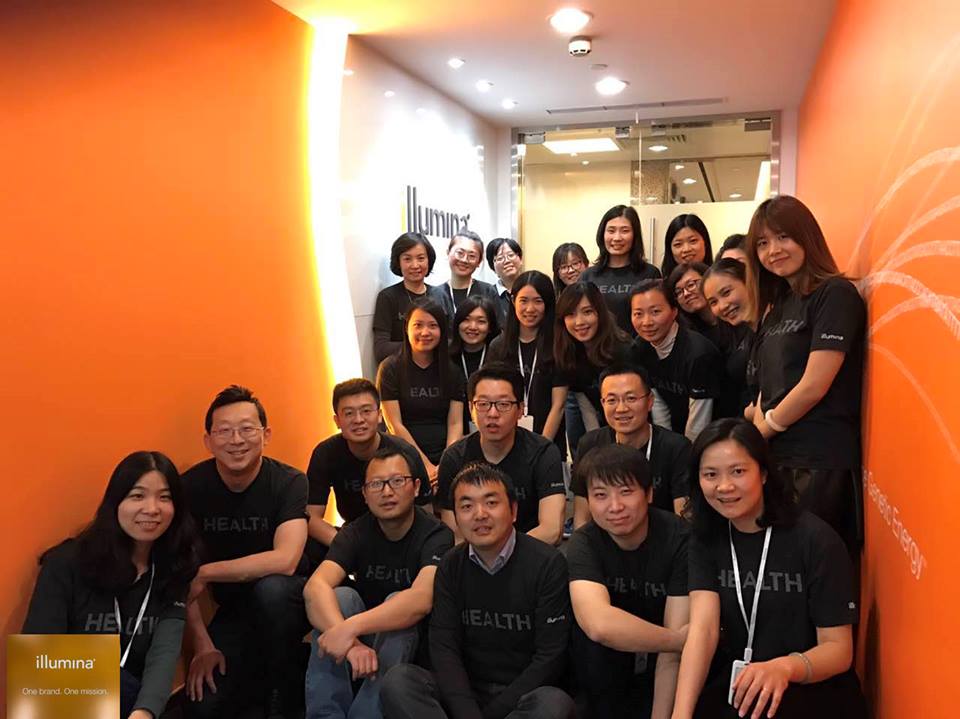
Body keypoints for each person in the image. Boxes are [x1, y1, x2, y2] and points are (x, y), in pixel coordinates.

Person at [672, 418, 866, 719]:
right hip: (742, 688)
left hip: (810, 689)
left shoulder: (816, 540)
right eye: (710, 474)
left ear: (763, 473)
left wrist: (785, 667)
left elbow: (838, 650)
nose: (724, 486)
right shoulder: (706, 538)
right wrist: (680, 715)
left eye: (738, 471)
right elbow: (703, 631)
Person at [379, 463, 575, 719]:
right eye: (467, 506)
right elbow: (444, 646)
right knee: (400, 682)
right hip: (465, 691)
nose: (480, 514)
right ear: (455, 517)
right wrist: (467, 711)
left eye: (491, 503)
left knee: (553, 703)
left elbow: (550, 656)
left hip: (522, 697)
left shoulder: (548, 564)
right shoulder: (450, 564)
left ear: (513, 510)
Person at [23, 451, 199, 719]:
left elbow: (163, 655)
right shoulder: (66, 563)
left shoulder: (174, 567)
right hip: (61, 699)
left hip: (131, 702)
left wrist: (144, 713)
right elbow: (38, 659)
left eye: (164, 497)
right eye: (137, 496)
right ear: (115, 502)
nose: (152, 508)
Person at [182, 385, 311, 719]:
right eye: (224, 431)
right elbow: (181, 575)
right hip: (235, 611)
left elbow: (285, 560)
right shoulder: (191, 487)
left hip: (290, 602)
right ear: (208, 441)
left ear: (265, 435)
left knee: (272, 590)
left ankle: (284, 688)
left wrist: (207, 572)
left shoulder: (289, 481)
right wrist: (202, 645)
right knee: (202, 706)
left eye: (247, 429)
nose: (236, 440)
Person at [746, 195, 866, 553]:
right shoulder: (778, 306)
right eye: (763, 243)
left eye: (783, 237)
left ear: (806, 237)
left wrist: (764, 429)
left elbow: (815, 384)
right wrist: (756, 430)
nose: (773, 251)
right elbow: (768, 382)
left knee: (814, 564)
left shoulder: (835, 294)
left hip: (820, 461)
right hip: (777, 457)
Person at [303, 446, 454, 719]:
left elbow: (420, 600)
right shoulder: (355, 532)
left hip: (412, 645)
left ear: (416, 487)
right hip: (363, 639)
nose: (386, 492)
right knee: (340, 597)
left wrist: (349, 629)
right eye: (376, 484)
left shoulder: (436, 534)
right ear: (364, 494)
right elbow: (315, 587)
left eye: (397, 481)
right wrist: (351, 642)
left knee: (399, 601)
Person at [568, 444, 689, 719]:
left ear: (649, 493)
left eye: (626, 491)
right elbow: (599, 625)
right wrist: (677, 640)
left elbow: (674, 656)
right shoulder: (584, 542)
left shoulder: (680, 539)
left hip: (663, 668)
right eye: (600, 495)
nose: (615, 507)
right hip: (603, 669)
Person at [305, 379, 432, 567]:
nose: (358, 420)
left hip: (399, 535)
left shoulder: (404, 452)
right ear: (337, 421)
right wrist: (347, 546)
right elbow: (311, 517)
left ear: (379, 415)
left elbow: (426, 511)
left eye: (366, 411)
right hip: (354, 534)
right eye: (349, 413)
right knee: (307, 545)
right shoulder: (325, 453)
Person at [437, 363, 566, 546]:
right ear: (471, 408)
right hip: (473, 556)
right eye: (483, 404)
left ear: (520, 409)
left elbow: (552, 530)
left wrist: (503, 554)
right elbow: (455, 533)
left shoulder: (543, 452)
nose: (492, 413)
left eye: (503, 404)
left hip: (530, 553)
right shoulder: (454, 458)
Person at [572, 363, 691, 525]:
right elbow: (582, 517)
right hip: (606, 535)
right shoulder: (590, 444)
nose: (621, 408)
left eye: (631, 398)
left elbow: (683, 519)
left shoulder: (676, 447)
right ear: (602, 403)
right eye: (612, 400)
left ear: (650, 401)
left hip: (663, 536)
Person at [377, 299, 465, 485]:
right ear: (406, 328)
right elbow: (394, 425)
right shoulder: (390, 369)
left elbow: (455, 422)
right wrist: (425, 466)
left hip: (445, 456)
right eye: (418, 325)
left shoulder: (452, 371)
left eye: (433, 326)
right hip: (403, 456)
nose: (425, 332)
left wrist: (446, 464)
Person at [629, 280, 722, 442]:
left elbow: (699, 423)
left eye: (655, 311)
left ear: (674, 311)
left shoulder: (698, 353)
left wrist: (685, 452)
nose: (647, 322)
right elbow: (657, 401)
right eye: (638, 314)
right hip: (676, 430)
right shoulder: (640, 347)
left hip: (713, 434)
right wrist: (665, 444)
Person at [488, 270, 568, 456]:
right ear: (513, 301)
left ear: (548, 304)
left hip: (548, 444)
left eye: (538, 301)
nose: (530, 309)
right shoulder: (498, 346)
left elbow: (558, 406)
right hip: (505, 444)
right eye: (523, 300)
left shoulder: (558, 344)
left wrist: (541, 449)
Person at [553, 281, 630, 455]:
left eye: (587, 312)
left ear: (600, 312)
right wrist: (599, 445)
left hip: (630, 425)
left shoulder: (622, 349)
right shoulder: (569, 351)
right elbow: (586, 405)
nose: (579, 322)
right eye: (571, 314)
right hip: (601, 423)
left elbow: (634, 403)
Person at [580, 204, 661, 335]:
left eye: (624, 231)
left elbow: (657, 315)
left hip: (638, 345)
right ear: (602, 234)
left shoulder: (650, 273)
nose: (617, 238)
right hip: (598, 346)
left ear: (635, 235)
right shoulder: (588, 276)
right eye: (611, 231)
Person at [702, 259, 759, 419]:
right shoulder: (734, 333)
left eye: (726, 293)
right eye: (713, 302)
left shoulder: (775, 328)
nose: (722, 306)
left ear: (749, 282)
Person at [373, 232, 442, 363]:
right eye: (407, 259)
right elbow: (381, 349)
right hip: (400, 369)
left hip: (436, 368)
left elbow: (450, 340)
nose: (415, 265)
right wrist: (421, 344)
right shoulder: (387, 297)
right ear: (398, 262)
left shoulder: (440, 294)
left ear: (429, 260)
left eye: (421, 258)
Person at [449, 296, 501, 434]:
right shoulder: (446, 357)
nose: (472, 327)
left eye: (481, 321)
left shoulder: (499, 356)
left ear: (490, 327)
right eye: (466, 320)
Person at [436, 230, 499, 326]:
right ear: (448, 253)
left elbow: (497, 328)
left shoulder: (488, 292)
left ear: (479, 262)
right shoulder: (435, 294)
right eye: (460, 253)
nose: (464, 260)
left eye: (472, 256)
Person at [661, 214, 714, 279]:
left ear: (705, 242)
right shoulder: (662, 284)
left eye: (693, 241)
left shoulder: (720, 279)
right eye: (678, 244)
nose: (686, 249)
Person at [485, 237, 524, 323]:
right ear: (492, 267)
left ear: (520, 259)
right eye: (500, 258)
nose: (507, 261)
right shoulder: (488, 295)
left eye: (511, 255)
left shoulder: (532, 288)